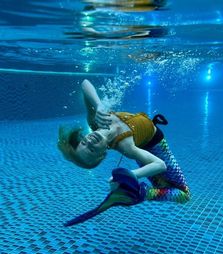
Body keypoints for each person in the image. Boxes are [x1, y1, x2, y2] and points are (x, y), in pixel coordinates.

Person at [58, 79, 190, 205]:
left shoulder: (96, 121)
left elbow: (84, 84)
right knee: (183, 194)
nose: (90, 142)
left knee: (164, 186)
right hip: (155, 146)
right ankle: (143, 193)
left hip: (142, 149)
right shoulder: (125, 146)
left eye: (83, 143)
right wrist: (130, 175)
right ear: (102, 154)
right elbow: (161, 165)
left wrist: (98, 105)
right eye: (92, 149)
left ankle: (134, 192)